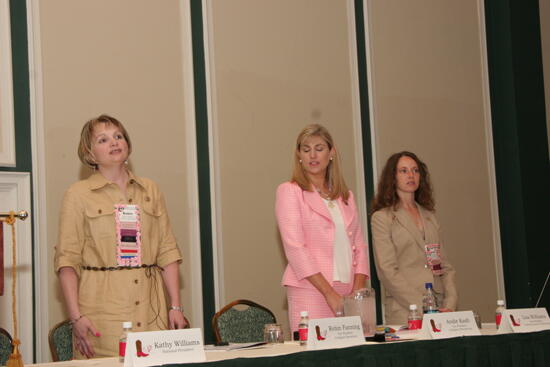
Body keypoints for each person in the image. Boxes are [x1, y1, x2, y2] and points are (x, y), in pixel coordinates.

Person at [55, 114, 188, 358]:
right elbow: (67, 261)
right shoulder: (78, 194)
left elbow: (168, 250)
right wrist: (76, 318)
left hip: (153, 314)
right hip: (102, 317)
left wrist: (175, 307)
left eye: (118, 136)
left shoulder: (151, 190)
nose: (114, 142)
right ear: (89, 152)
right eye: (103, 139)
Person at [275, 124, 370, 332]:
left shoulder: (346, 197)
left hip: (348, 290)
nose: (312, 155)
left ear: (332, 152)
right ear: (299, 155)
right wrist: (329, 293)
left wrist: (357, 290)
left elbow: (360, 247)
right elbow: (295, 249)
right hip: (311, 291)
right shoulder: (290, 191)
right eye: (306, 149)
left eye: (319, 148)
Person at [370, 151, 457, 325]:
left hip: (440, 309)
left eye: (415, 170)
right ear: (392, 177)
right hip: (406, 311)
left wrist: (450, 303)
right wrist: (425, 306)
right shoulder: (382, 218)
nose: (411, 175)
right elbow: (387, 272)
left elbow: (445, 266)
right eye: (403, 171)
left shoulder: (430, 216)